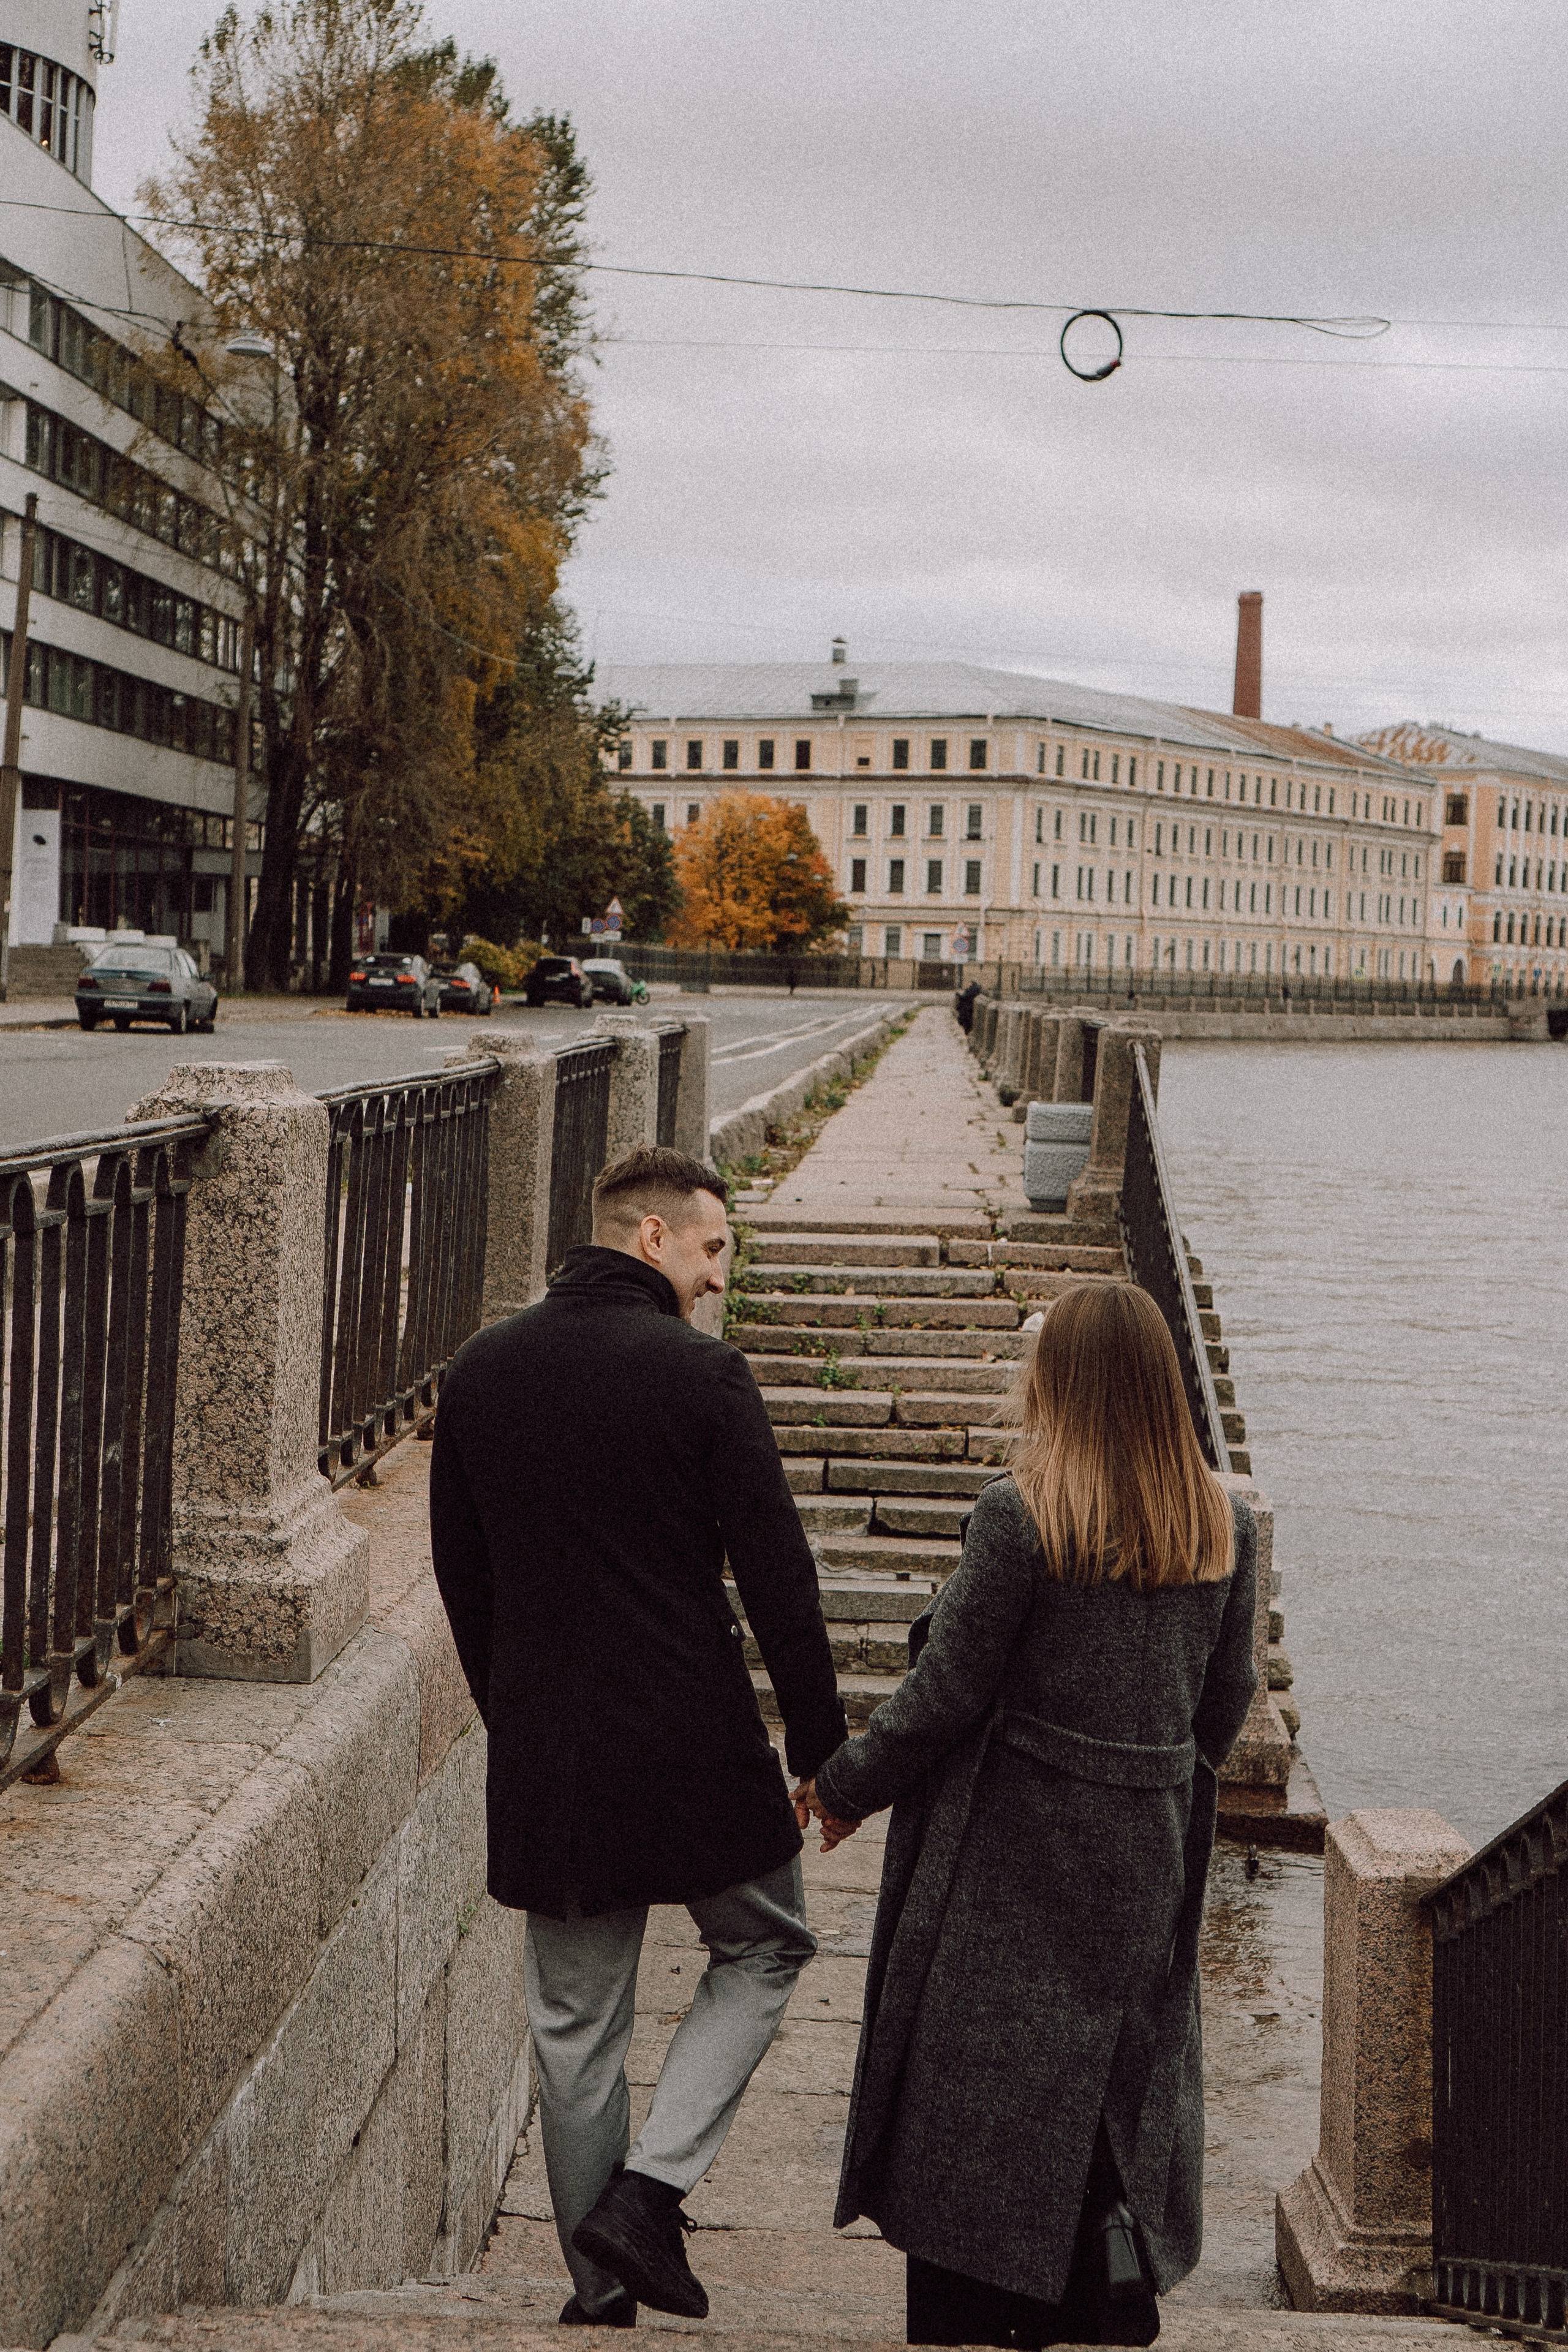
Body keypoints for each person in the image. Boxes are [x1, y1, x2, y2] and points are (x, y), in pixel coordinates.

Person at [796, 1281, 1258, 2348]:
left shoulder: (1021, 1515)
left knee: (988, 2092)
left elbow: (945, 1696)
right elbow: (1223, 1710)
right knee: (1114, 2073)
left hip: (1012, 1851)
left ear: (1065, 1381)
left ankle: (988, 2308)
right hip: (1145, 1850)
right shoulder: (1221, 1522)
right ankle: (1110, 2277)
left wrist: (846, 1786)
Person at [430, 1145, 845, 2328]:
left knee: (574, 2024)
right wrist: (819, 1748)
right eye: (713, 1248)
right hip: (693, 1740)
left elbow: (468, 1587)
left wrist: (521, 1720)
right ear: (650, 1239)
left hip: (550, 1753)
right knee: (764, 1949)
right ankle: (652, 2194)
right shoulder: (703, 1376)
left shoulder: (479, 1373)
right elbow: (780, 1578)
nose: (720, 1275)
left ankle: (598, 2288)